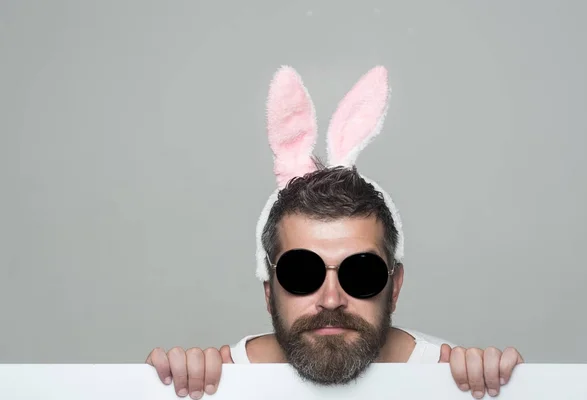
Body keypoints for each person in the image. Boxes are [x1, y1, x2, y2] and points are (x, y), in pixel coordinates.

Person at [146, 66, 524, 399]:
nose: (331, 299)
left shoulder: (452, 380)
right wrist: (156, 387)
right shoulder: (216, 383)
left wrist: (515, 389)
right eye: (300, 272)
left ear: (395, 286)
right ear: (268, 289)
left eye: (361, 272)